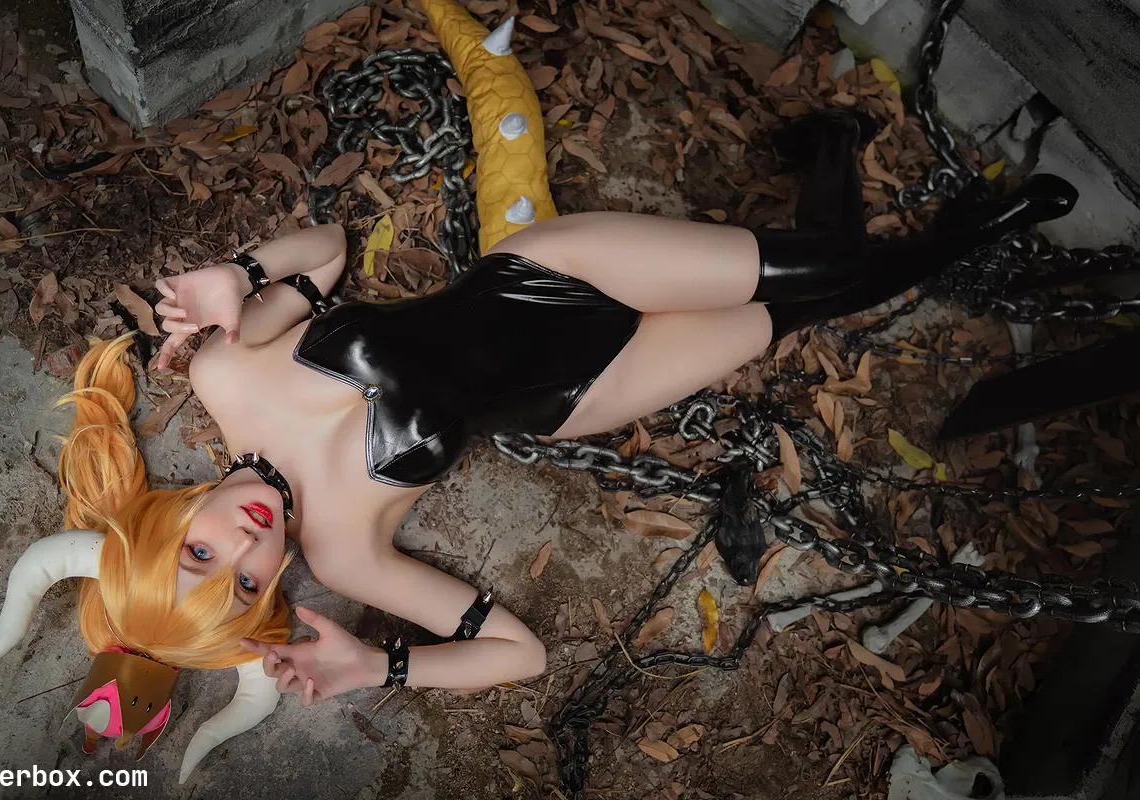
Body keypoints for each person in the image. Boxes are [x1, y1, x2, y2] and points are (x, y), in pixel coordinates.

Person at [148, 111, 1072, 702]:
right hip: (585, 388)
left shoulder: (223, 375)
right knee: (806, 304)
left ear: (169, 519)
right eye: (245, 586)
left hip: (548, 275)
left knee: (825, 264)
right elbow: (519, 654)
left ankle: (893, 184)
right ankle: (901, 197)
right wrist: (375, 667)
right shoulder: (343, 554)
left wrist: (241, 272)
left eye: (200, 553)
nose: (245, 548)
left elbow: (327, 250)